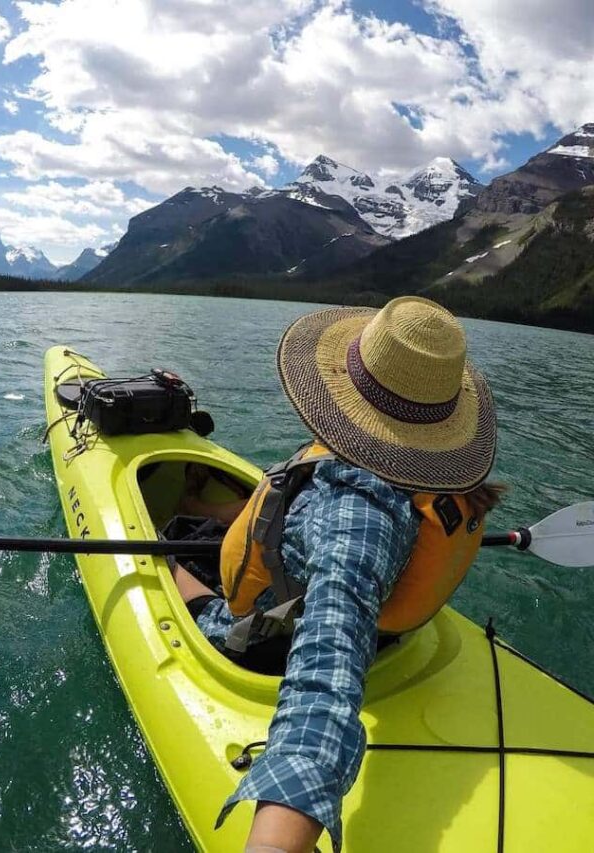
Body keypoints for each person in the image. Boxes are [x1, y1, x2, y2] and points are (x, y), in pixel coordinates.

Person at [171, 296, 501, 853]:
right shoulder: (423, 478)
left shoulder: (354, 518)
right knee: (208, 527)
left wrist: (274, 845)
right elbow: (293, 503)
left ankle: (182, 567)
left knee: (175, 545)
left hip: (272, 637)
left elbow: (327, 676)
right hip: (386, 627)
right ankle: (205, 520)